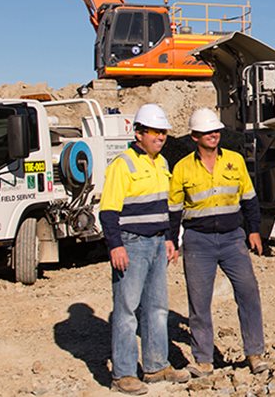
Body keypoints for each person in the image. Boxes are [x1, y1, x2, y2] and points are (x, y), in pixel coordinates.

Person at [169, 108, 269, 377]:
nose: (213, 135)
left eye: (215, 131)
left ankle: (255, 353)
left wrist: (254, 230)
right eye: (206, 132)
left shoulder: (235, 161)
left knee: (248, 292)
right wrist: (171, 241)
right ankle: (203, 360)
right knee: (199, 303)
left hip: (232, 238)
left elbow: (249, 199)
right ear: (194, 136)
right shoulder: (182, 168)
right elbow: (174, 210)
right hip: (197, 241)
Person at [99, 104, 190, 395]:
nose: (160, 137)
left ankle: (156, 365)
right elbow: (109, 211)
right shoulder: (122, 165)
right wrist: (116, 246)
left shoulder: (161, 163)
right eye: (154, 132)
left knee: (157, 308)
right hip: (131, 243)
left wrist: (169, 238)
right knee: (127, 311)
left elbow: (164, 208)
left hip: (156, 243)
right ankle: (123, 374)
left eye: (163, 132)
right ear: (139, 133)